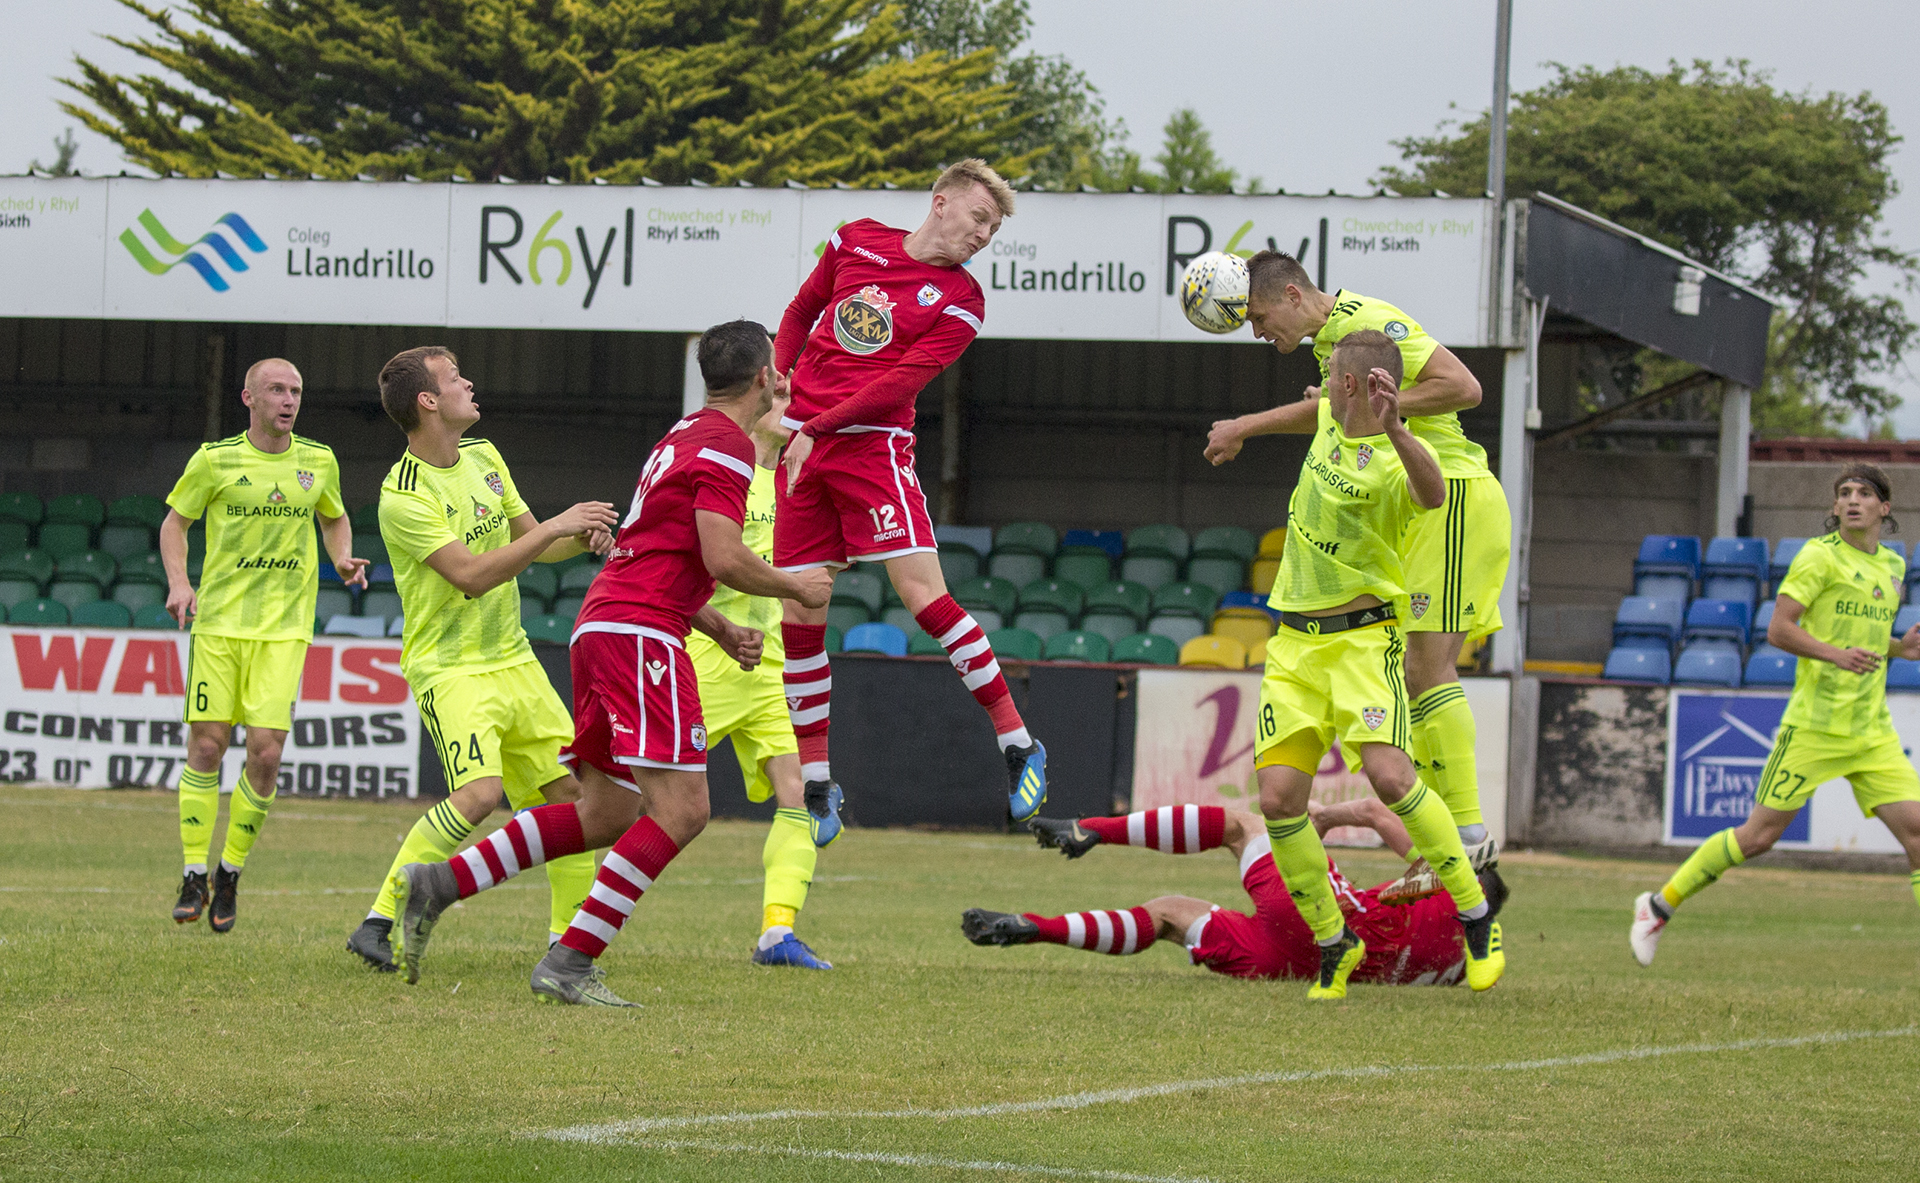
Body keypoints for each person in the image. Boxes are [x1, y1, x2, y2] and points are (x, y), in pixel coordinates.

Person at [390, 321, 834, 1006]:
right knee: (682, 810)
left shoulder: (685, 435)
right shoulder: (725, 446)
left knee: (604, 812)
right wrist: (795, 585)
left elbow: (659, 553)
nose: (784, 378)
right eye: (777, 367)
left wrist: (713, 624)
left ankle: (440, 882)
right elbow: (720, 556)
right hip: (641, 635)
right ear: (760, 379)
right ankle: (570, 960)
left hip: (608, 621)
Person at [1204, 253, 1509, 897]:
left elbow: (1465, 388)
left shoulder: (1367, 322)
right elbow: (1333, 417)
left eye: (1258, 317)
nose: (1258, 333)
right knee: (1409, 674)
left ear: (1291, 294)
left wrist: (1376, 411)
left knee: (1428, 669)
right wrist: (1247, 428)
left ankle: (1470, 833)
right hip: (1419, 508)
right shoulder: (1330, 345)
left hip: (1450, 492)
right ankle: (1445, 841)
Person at [771, 159, 1050, 827]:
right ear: (941, 201)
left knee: (923, 598)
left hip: (872, 450)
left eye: (993, 228)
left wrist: (816, 423)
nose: (984, 234)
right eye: (979, 217)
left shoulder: (962, 300)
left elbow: (901, 383)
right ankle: (817, 786)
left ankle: (1018, 742)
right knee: (802, 611)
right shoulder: (855, 238)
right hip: (802, 446)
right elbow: (803, 309)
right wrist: (778, 382)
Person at [342, 346, 620, 972]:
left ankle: (564, 947)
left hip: (513, 660)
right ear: (428, 401)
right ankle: (378, 921)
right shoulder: (401, 495)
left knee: (573, 800)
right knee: (479, 794)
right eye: (453, 377)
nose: (469, 382)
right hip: (452, 668)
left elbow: (529, 546)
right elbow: (470, 576)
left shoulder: (484, 458)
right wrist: (554, 528)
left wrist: (577, 540)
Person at [1244, 329, 1500, 999]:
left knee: (1390, 775)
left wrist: (1397, 428)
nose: (1322, 385)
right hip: (1294, 645)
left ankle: (1476, 913)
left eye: (1330, 377)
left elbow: (1433, 493)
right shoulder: (1330, 417)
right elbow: (1305, 410)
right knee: (1277, 798)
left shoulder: (1394, 456)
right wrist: (1241, 428)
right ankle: (1336, 942)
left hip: (1360, 643)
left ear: (1354, 384)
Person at [1632, 464, 1920, 965]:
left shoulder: (1892, 567)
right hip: (1813, 726)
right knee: (1759, 837)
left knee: (1917, 833)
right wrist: (1834, 654)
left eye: (1865, 493)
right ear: (1834, 508)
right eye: (1844, 493)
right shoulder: (1818, 557)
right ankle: (1658, 905)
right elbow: (1780, 630)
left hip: (1870, 730)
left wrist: (1900, 650)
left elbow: (1866, 640)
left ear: (1884, 508)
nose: (1853, 500)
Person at [161, 357, 367, 933]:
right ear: (248, 398)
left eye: (296, 390)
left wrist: (341, 558)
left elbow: (334, 517)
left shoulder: (318, 461)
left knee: (266, 753)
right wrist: (181, 582)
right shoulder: (214, 461)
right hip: (221, 624)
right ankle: (193, 872)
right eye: (276, 389)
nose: (288, 399)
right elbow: (175, 524)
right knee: (206, 747)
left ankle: (230, 872)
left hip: (283, 628)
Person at [963, 803, 1507, 987]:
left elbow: (1374, 811)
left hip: (1325, 919)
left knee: (1245, 825)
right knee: (1169, 914)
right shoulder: (1462, 963)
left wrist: (1323, 818)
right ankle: (1038, 927)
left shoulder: (1446, 889)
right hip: (1291, 967)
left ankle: (1095, 829)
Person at [688, 374, 837, 970]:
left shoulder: (798, 485)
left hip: (773, 670)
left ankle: (778, 934)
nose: (791, 407)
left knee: (801, 796)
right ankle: (571, 919)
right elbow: (703, 564)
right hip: (708, 658)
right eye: (781, 397)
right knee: (617, 800)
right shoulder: (722, 474)